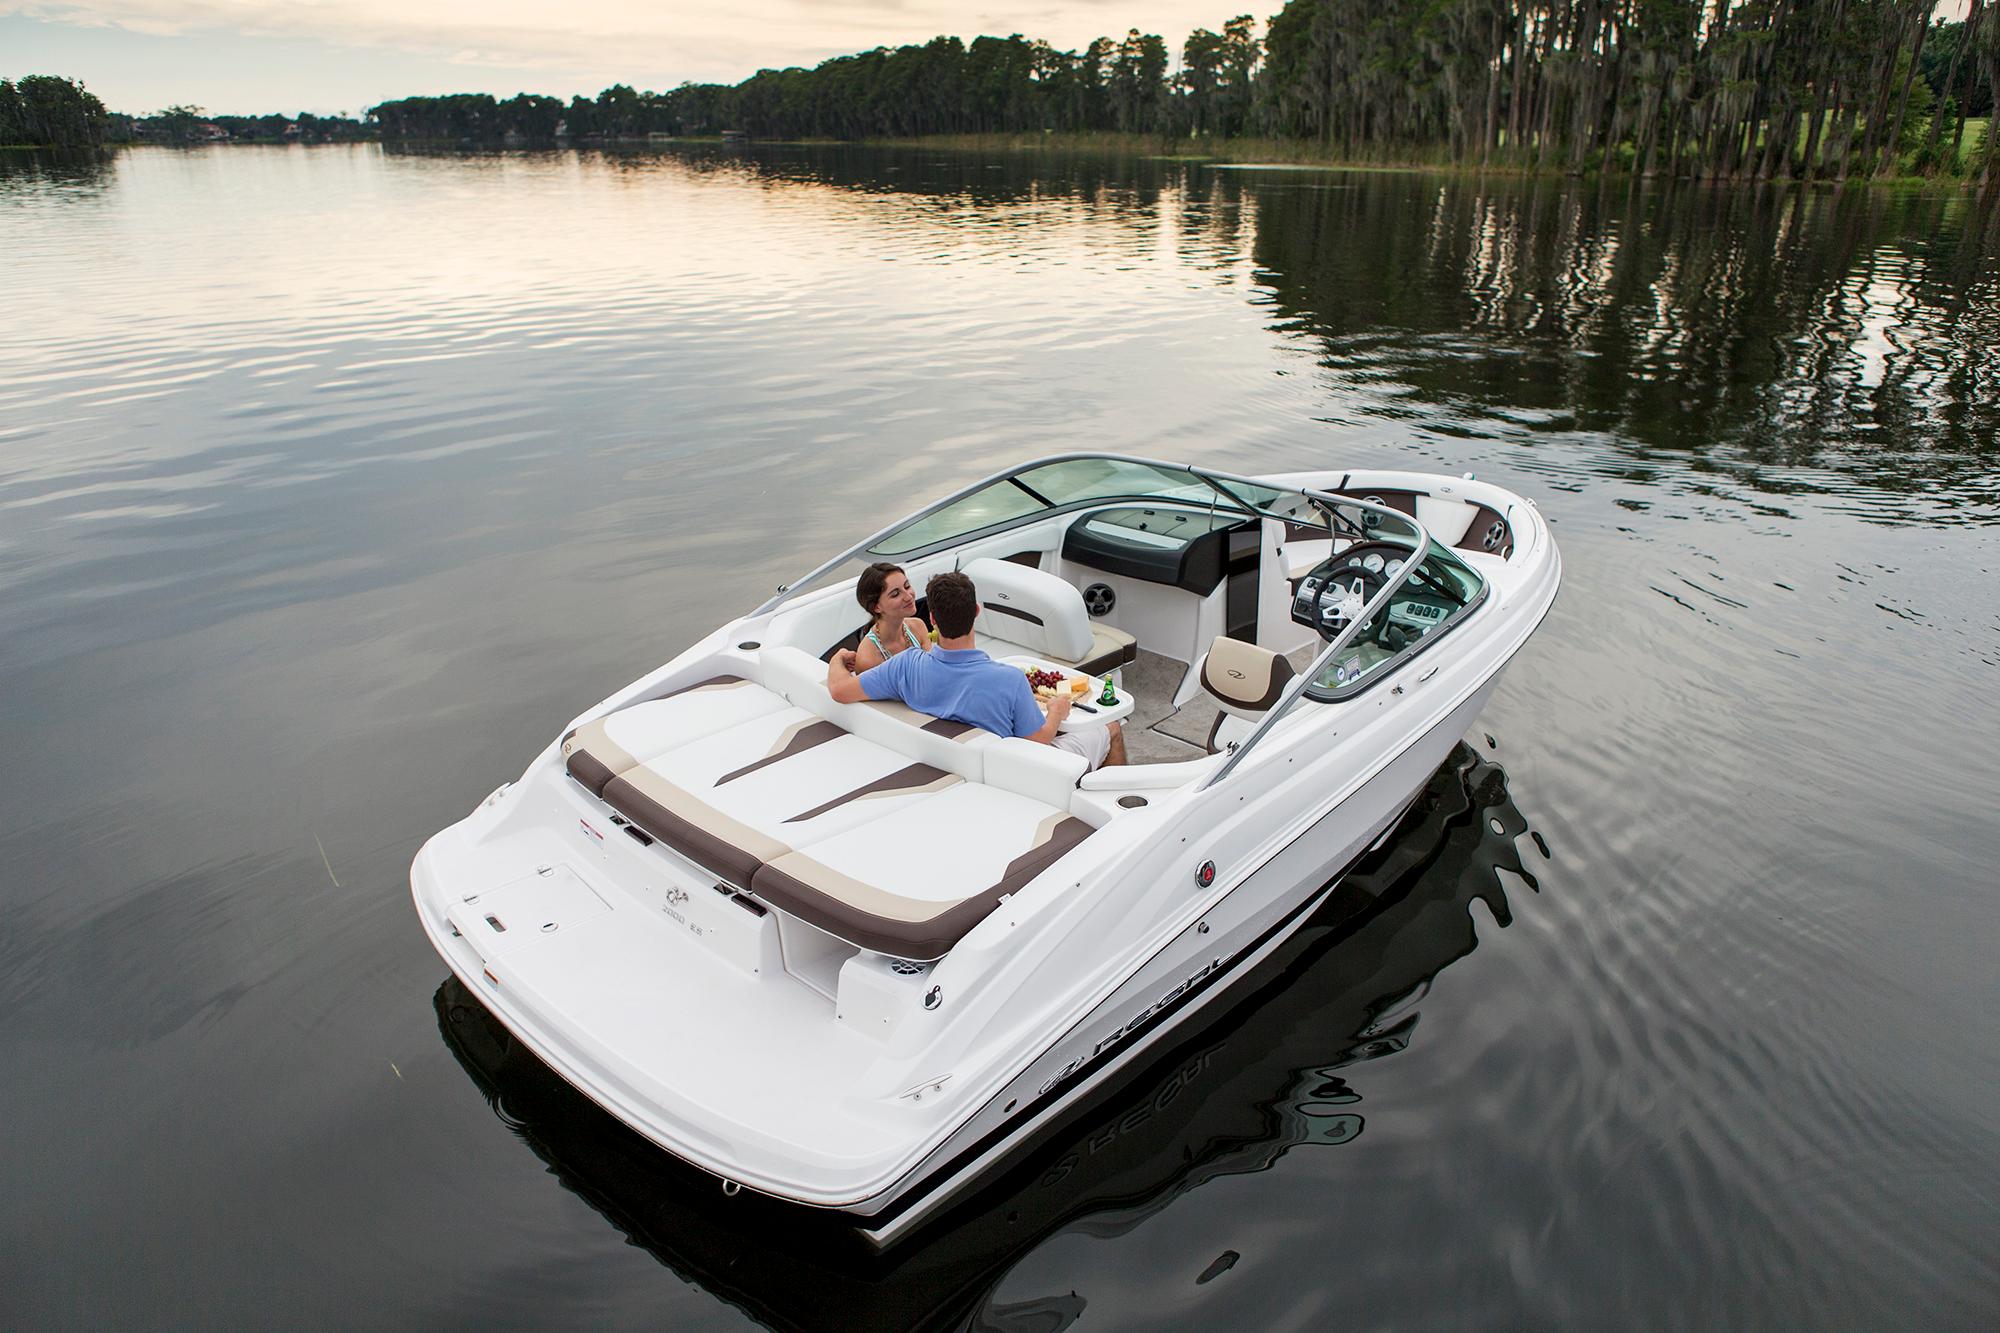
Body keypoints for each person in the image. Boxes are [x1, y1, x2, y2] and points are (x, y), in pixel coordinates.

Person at [828, 571, 1126, 770]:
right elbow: (1038, 741)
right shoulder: (1009, 679)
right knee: (1110, 727)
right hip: (1019, 773)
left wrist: (837, 660)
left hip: (961, 764)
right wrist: (1057, 712)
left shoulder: (904, 665)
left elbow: (840, 690)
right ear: (976, 612)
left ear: (933, 619)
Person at [850, 562, 933, 671]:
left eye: (907, 586)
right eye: (895, 594)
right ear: (876, 607)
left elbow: (931, 671)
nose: (908, 597)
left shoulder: (918, 626)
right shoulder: (868, 658)